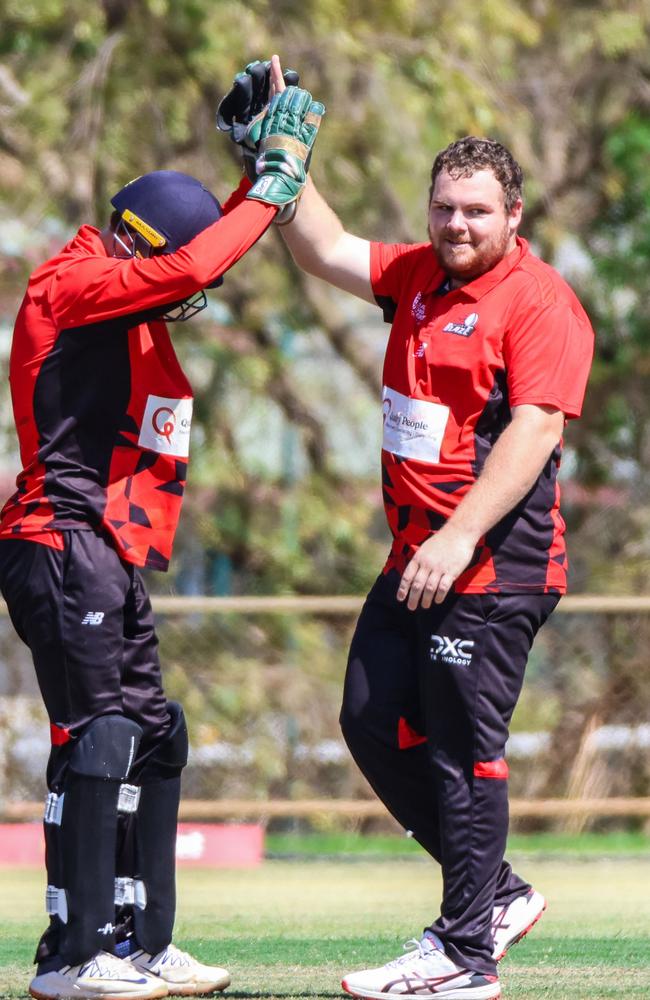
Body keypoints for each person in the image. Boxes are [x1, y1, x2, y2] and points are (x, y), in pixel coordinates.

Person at [269, 55, 594, 1000]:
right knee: (370, 718)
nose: (457, 224)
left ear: (514, 217)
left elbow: (534, 428)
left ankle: (464, 954)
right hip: (415, 557)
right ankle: (491, 892)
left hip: (491, 565)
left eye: (477, 211)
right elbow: (324, 248)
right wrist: (283, 161)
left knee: (461, 750)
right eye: (445, 207)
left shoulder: (540, 303)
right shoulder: (415, 276)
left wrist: (458, 537)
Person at [0, 78, 323, 1000]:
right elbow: (184, 267)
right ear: (139, 246)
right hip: (58, 540)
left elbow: (192, 258)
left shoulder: (118, 273)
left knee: (155, 735)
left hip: (103, 547)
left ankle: (142, 941)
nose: (191, 299)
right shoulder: (71, 283)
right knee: (99, 736)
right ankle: (73, 956)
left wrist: (252, 168)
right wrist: (265, 188)